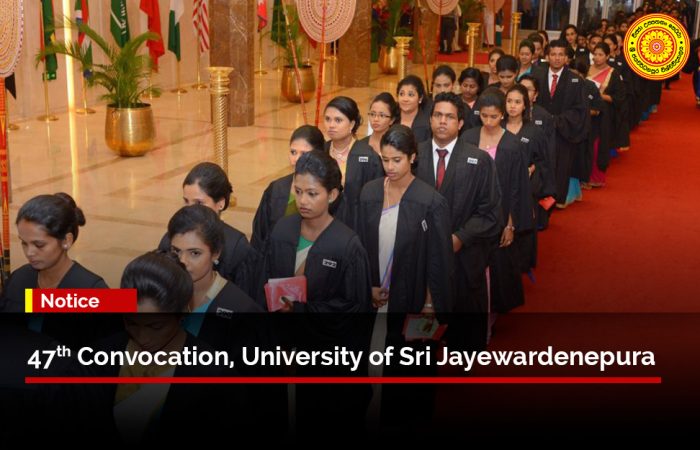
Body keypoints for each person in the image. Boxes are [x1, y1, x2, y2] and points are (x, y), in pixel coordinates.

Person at [261, 150, 372, 432]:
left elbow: (353, 309)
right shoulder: (282, 230)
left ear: (332, 195)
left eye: (312, 194)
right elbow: (265, 278)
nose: (303, 201)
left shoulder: (347, 245)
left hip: (328, 357)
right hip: (285, 347)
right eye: (298, 191)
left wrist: (301, 310)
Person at [357, 124, 453, 429]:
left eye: (397, 160)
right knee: (371, 361)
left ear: (412, 157)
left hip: (412, 298)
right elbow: (359, 246)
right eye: (385, 159)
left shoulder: (430, 201)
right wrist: (367, 285)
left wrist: (429, 305)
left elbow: (438, 260)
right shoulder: (370, 192)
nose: (390, 166)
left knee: (408, 369)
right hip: (376, 296)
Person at [414, 92, 502, 350]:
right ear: (430, 119)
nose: (443, 121)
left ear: (461, 123)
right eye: (438, 115)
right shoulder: (414, 156)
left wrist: (460, 237)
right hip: (420, 253)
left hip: (464, 255)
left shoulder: (479, 160)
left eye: (450, 117)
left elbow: (491, 212)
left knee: (464, 326)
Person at [0, 193, 113, 348]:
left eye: (39, 245)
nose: (29, 252)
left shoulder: (93, 291)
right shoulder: (19, 279)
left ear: (66, 240)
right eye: (24, 243)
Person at [463, 90, 532, 316]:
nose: (489, 121)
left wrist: (510, 224)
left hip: (500, 213)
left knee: (497, 264)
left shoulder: (512, 145)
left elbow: (517, 189)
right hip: (471, 212)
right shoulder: (468, 138)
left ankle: (492, 310)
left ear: (502, 114)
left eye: (493, 116)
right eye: (484, 116)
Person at [158, 162, 260, 298]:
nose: (191, 209)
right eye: (186, 201)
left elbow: (247, 298)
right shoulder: (172, 237)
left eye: (199, 203)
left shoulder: (236, 246)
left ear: (220, 203)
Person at [251, 125, 325, 253]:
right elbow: (260, 235)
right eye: (293, 152)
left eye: (304, 154)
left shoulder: (327, 191)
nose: (296, 159)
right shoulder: (276, 189)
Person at [532, 39, 588, 208]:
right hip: (539, 131)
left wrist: (557, 120)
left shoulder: (575, 81)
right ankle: (537, 199)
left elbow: (580, 110)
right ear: (547, 56)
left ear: (566, 58)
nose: (557, 58)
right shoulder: (537, 76)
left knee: (560, 166)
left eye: (561, 55)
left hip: (563, 133)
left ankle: (555, 201)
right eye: (553, 54)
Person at [504, 84, 550, 272]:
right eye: (509, 101)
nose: (512, 106)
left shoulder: (534, 131)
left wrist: (532, 169)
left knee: (523, 224)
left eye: (517, 102)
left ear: (525, 105)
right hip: (500, 187)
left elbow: (543, 160)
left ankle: (522, 265)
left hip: (526, 187)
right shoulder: (497, 127)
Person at [323, 96, 384, 229]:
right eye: (327, 119)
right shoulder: (320, 151)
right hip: (321, 225)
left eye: (338, 120)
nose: (331, 125)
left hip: (356, 227)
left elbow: (376, 200)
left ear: (351, 124)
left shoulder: (368, 157)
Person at [586, 43, 627, 188]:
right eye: (595, 54)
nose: (597, 58)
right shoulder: (587, 69)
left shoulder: (613, 73)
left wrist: (599, 95)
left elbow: (619, 98)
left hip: (603, 115)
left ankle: (595, 177)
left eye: (600, 55)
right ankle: (583, 176)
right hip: (585, 112)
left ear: (607, 56)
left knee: (597, 147)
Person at [519, 74, 557, 229]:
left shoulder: (544, 116)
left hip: (537, 169)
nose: (524, 92)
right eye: (521, 88)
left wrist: (536, 167)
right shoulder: (508, 115)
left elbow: (548, 150)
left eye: (528, 90)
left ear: (535, 95)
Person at [397, 75, 432, 143]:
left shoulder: (427, 125)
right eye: (401, 94)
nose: (405, 99)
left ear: (420, 98)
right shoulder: (391, 118)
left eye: (410, 95)